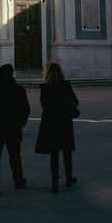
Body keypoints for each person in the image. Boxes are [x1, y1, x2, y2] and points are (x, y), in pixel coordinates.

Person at [0, 63, 29, 196]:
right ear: (12, 73)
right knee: (15, 156)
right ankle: (18, 180)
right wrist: (20, 124)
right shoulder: (18, 90)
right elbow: (25, 110)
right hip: (13, 129)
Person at [35, 62, 79, 192]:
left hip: (51, 122)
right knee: (67, 152)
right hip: (64, 121)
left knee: (54, 154)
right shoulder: (65, 85)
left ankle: (55, 182)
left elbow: (43, 104)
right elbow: (75, 101)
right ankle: (68, 178)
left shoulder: (44, 87)